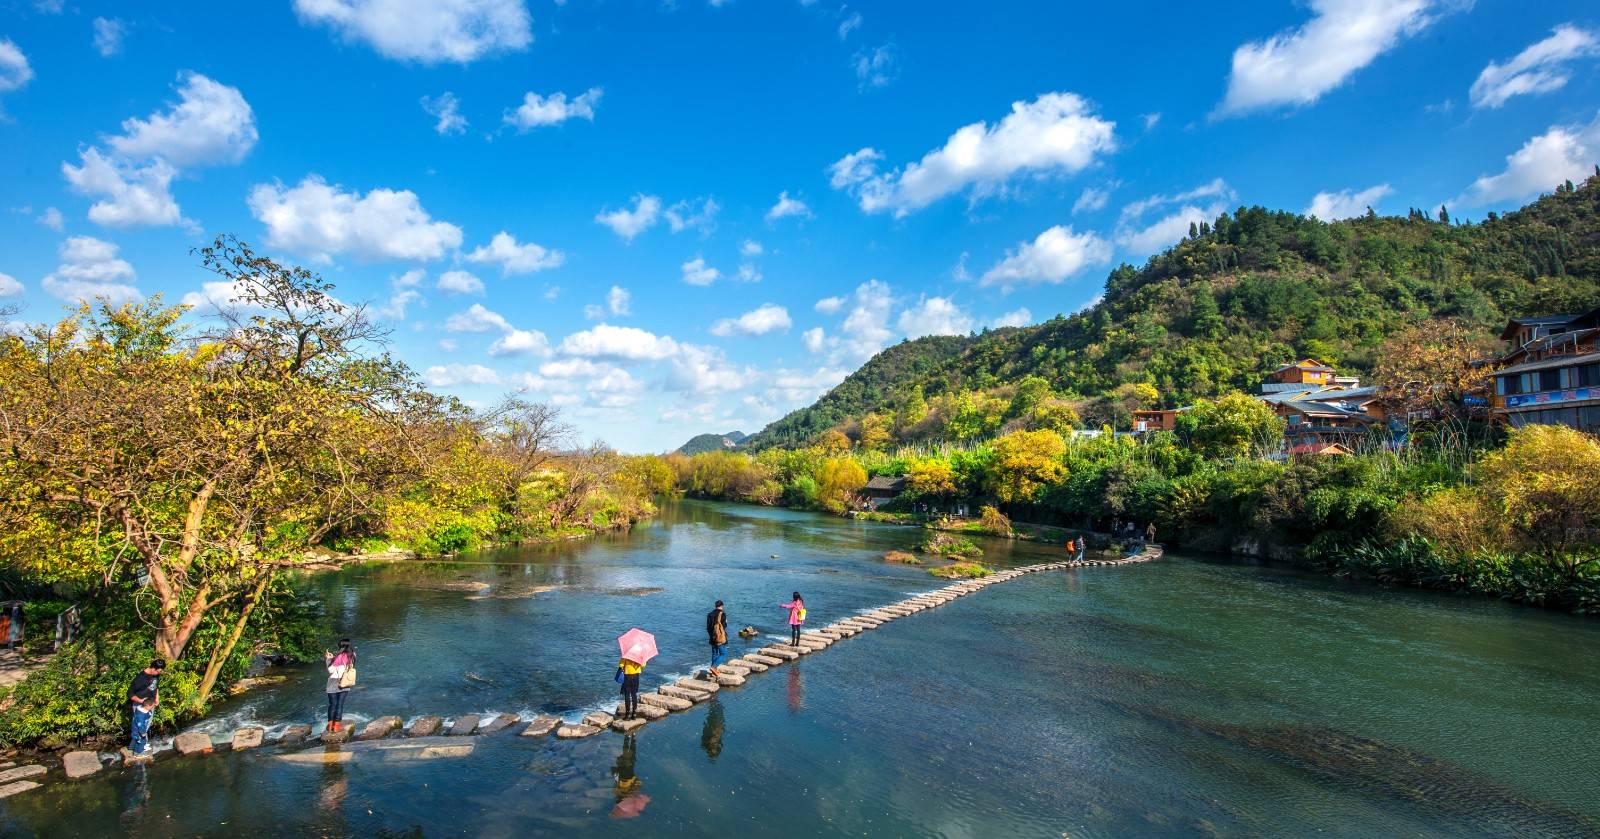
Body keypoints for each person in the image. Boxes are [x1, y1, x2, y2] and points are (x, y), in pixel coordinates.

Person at [127, 658, 164, 757]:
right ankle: (138, 752)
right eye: (159, 671)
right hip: (141, 705)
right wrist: (141, 701)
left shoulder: (156, 675)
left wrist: (157, 698)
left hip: (150, 704)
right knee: (140, 728)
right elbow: (130, 693)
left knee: (146, 726)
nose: (159, 673)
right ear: (153, 668)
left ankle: (133, 746)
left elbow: (156, 687)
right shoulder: (140, 678)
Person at [323, 639, 355, 733]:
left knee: (332, 704)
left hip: (333, 682)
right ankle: (337, 726)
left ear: (341, 646)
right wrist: (333, 658)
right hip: (346, 682)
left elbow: (331, 670)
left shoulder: (339, 657)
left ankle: (330, 725)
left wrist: (328, 659)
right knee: (340, 705)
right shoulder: (352, 656)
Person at [706, 600, 728, 678]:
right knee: (724, 654)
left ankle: (713, 671)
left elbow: (708, 628)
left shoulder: (709, 615)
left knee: (715, 653)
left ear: (715, 606)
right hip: (720, 638)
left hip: (712, 637)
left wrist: (712, 635)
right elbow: (724, 626)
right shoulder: (722, 614)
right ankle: (714, 667)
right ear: (722, 605)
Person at [617, 654, 643, 720]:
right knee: (634, 694)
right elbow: (643, 665)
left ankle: (627, 715)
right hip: (636, 676)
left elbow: (621, 665)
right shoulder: (640, 655)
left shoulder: (626, 654)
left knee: (627, 695)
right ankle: (634, 714)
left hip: (628, 675)